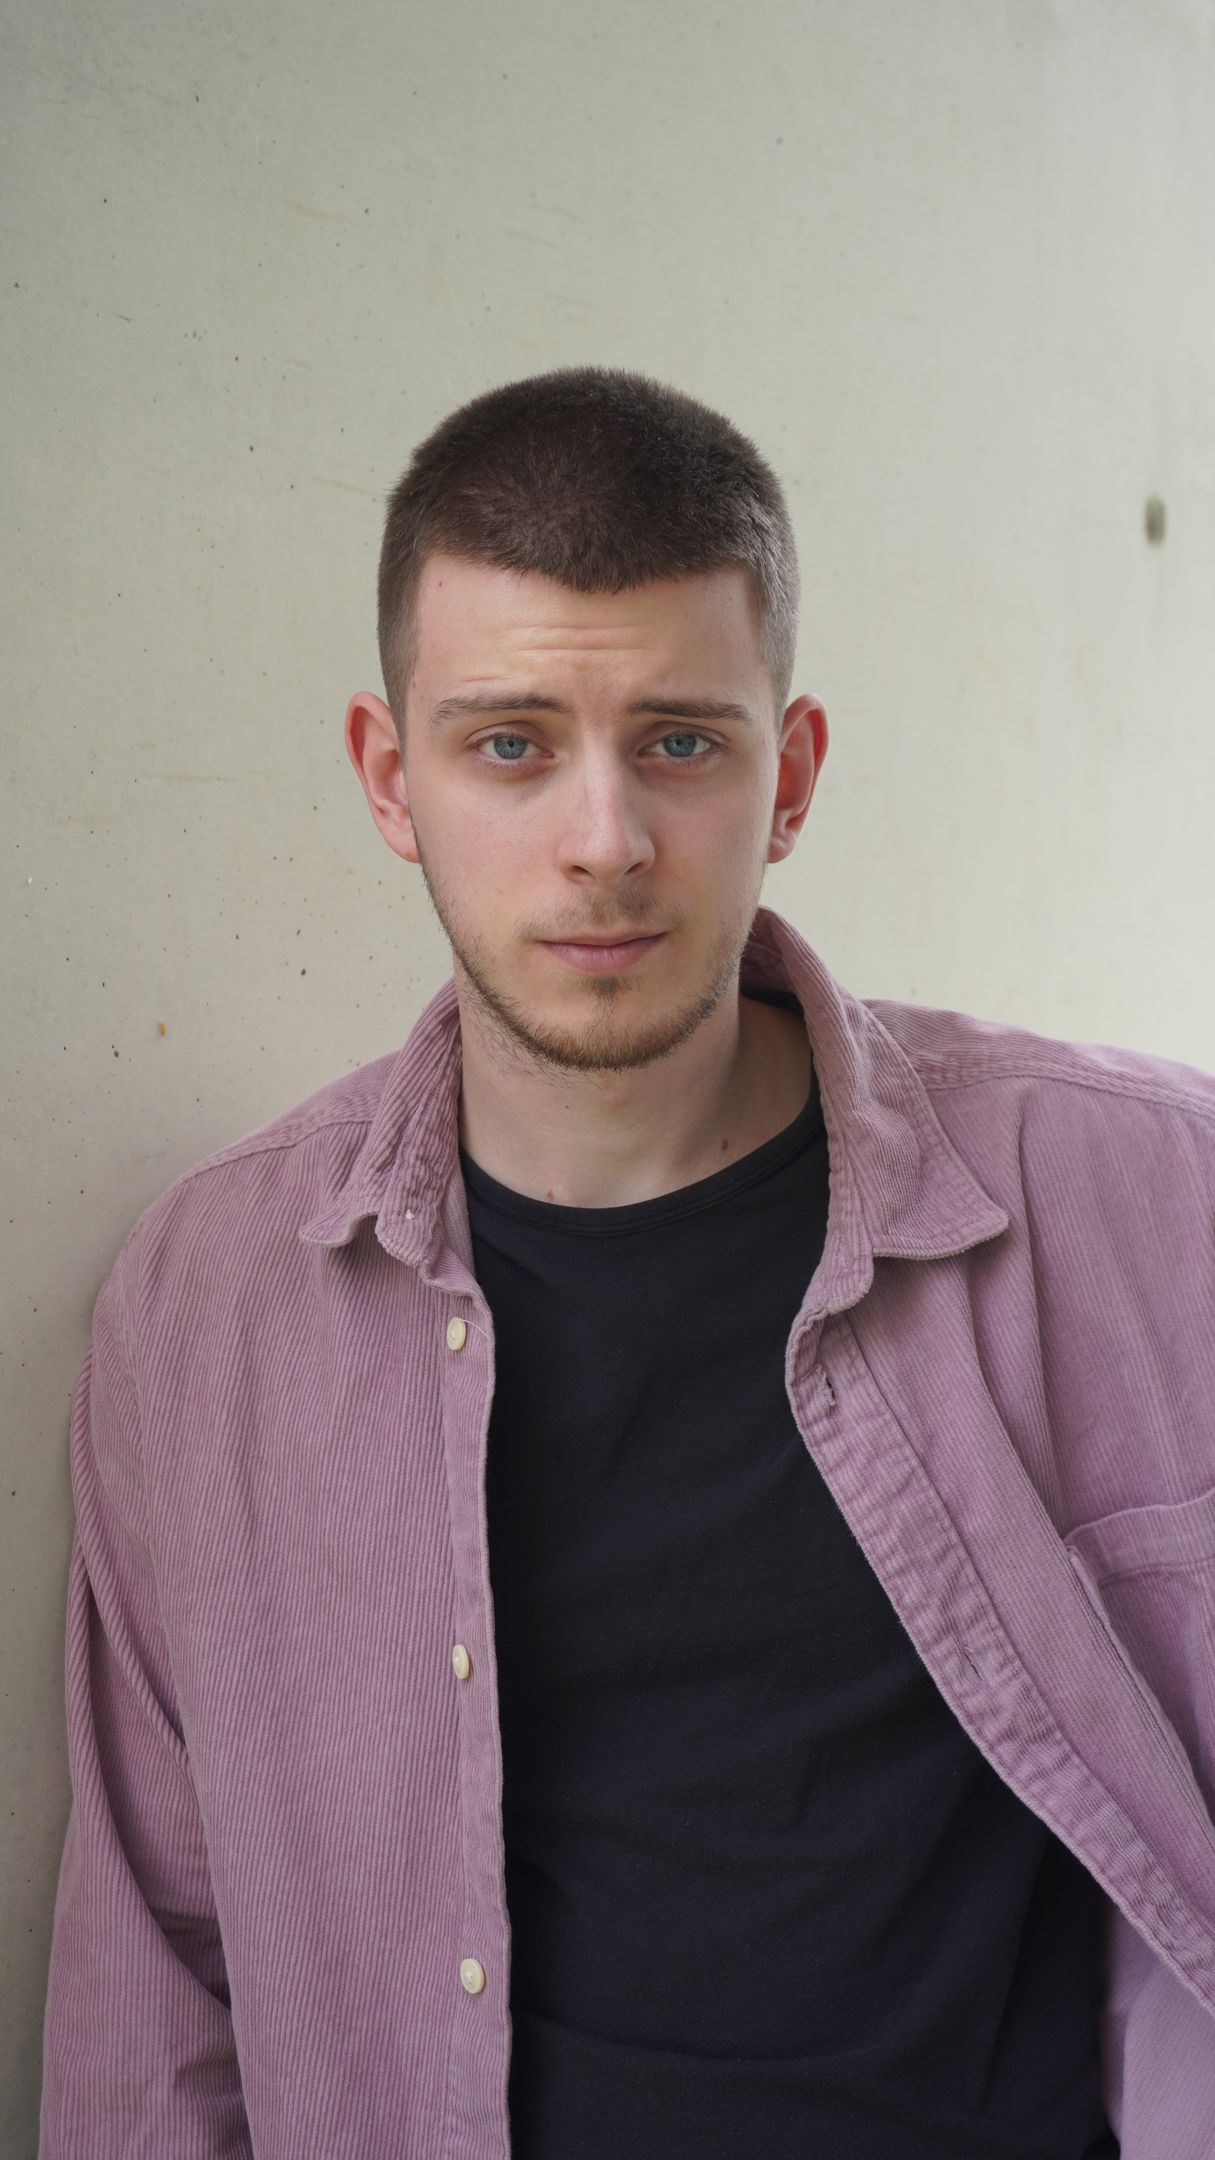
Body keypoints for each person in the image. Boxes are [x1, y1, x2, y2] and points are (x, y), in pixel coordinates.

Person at [37, 366, 1215, 2160]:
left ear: (788, 775)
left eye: (679, 742)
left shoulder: (1143, 1198)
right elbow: (156, 1996)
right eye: (510, 744)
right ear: (391, 780)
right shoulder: (213, 1309)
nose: (604, 841)